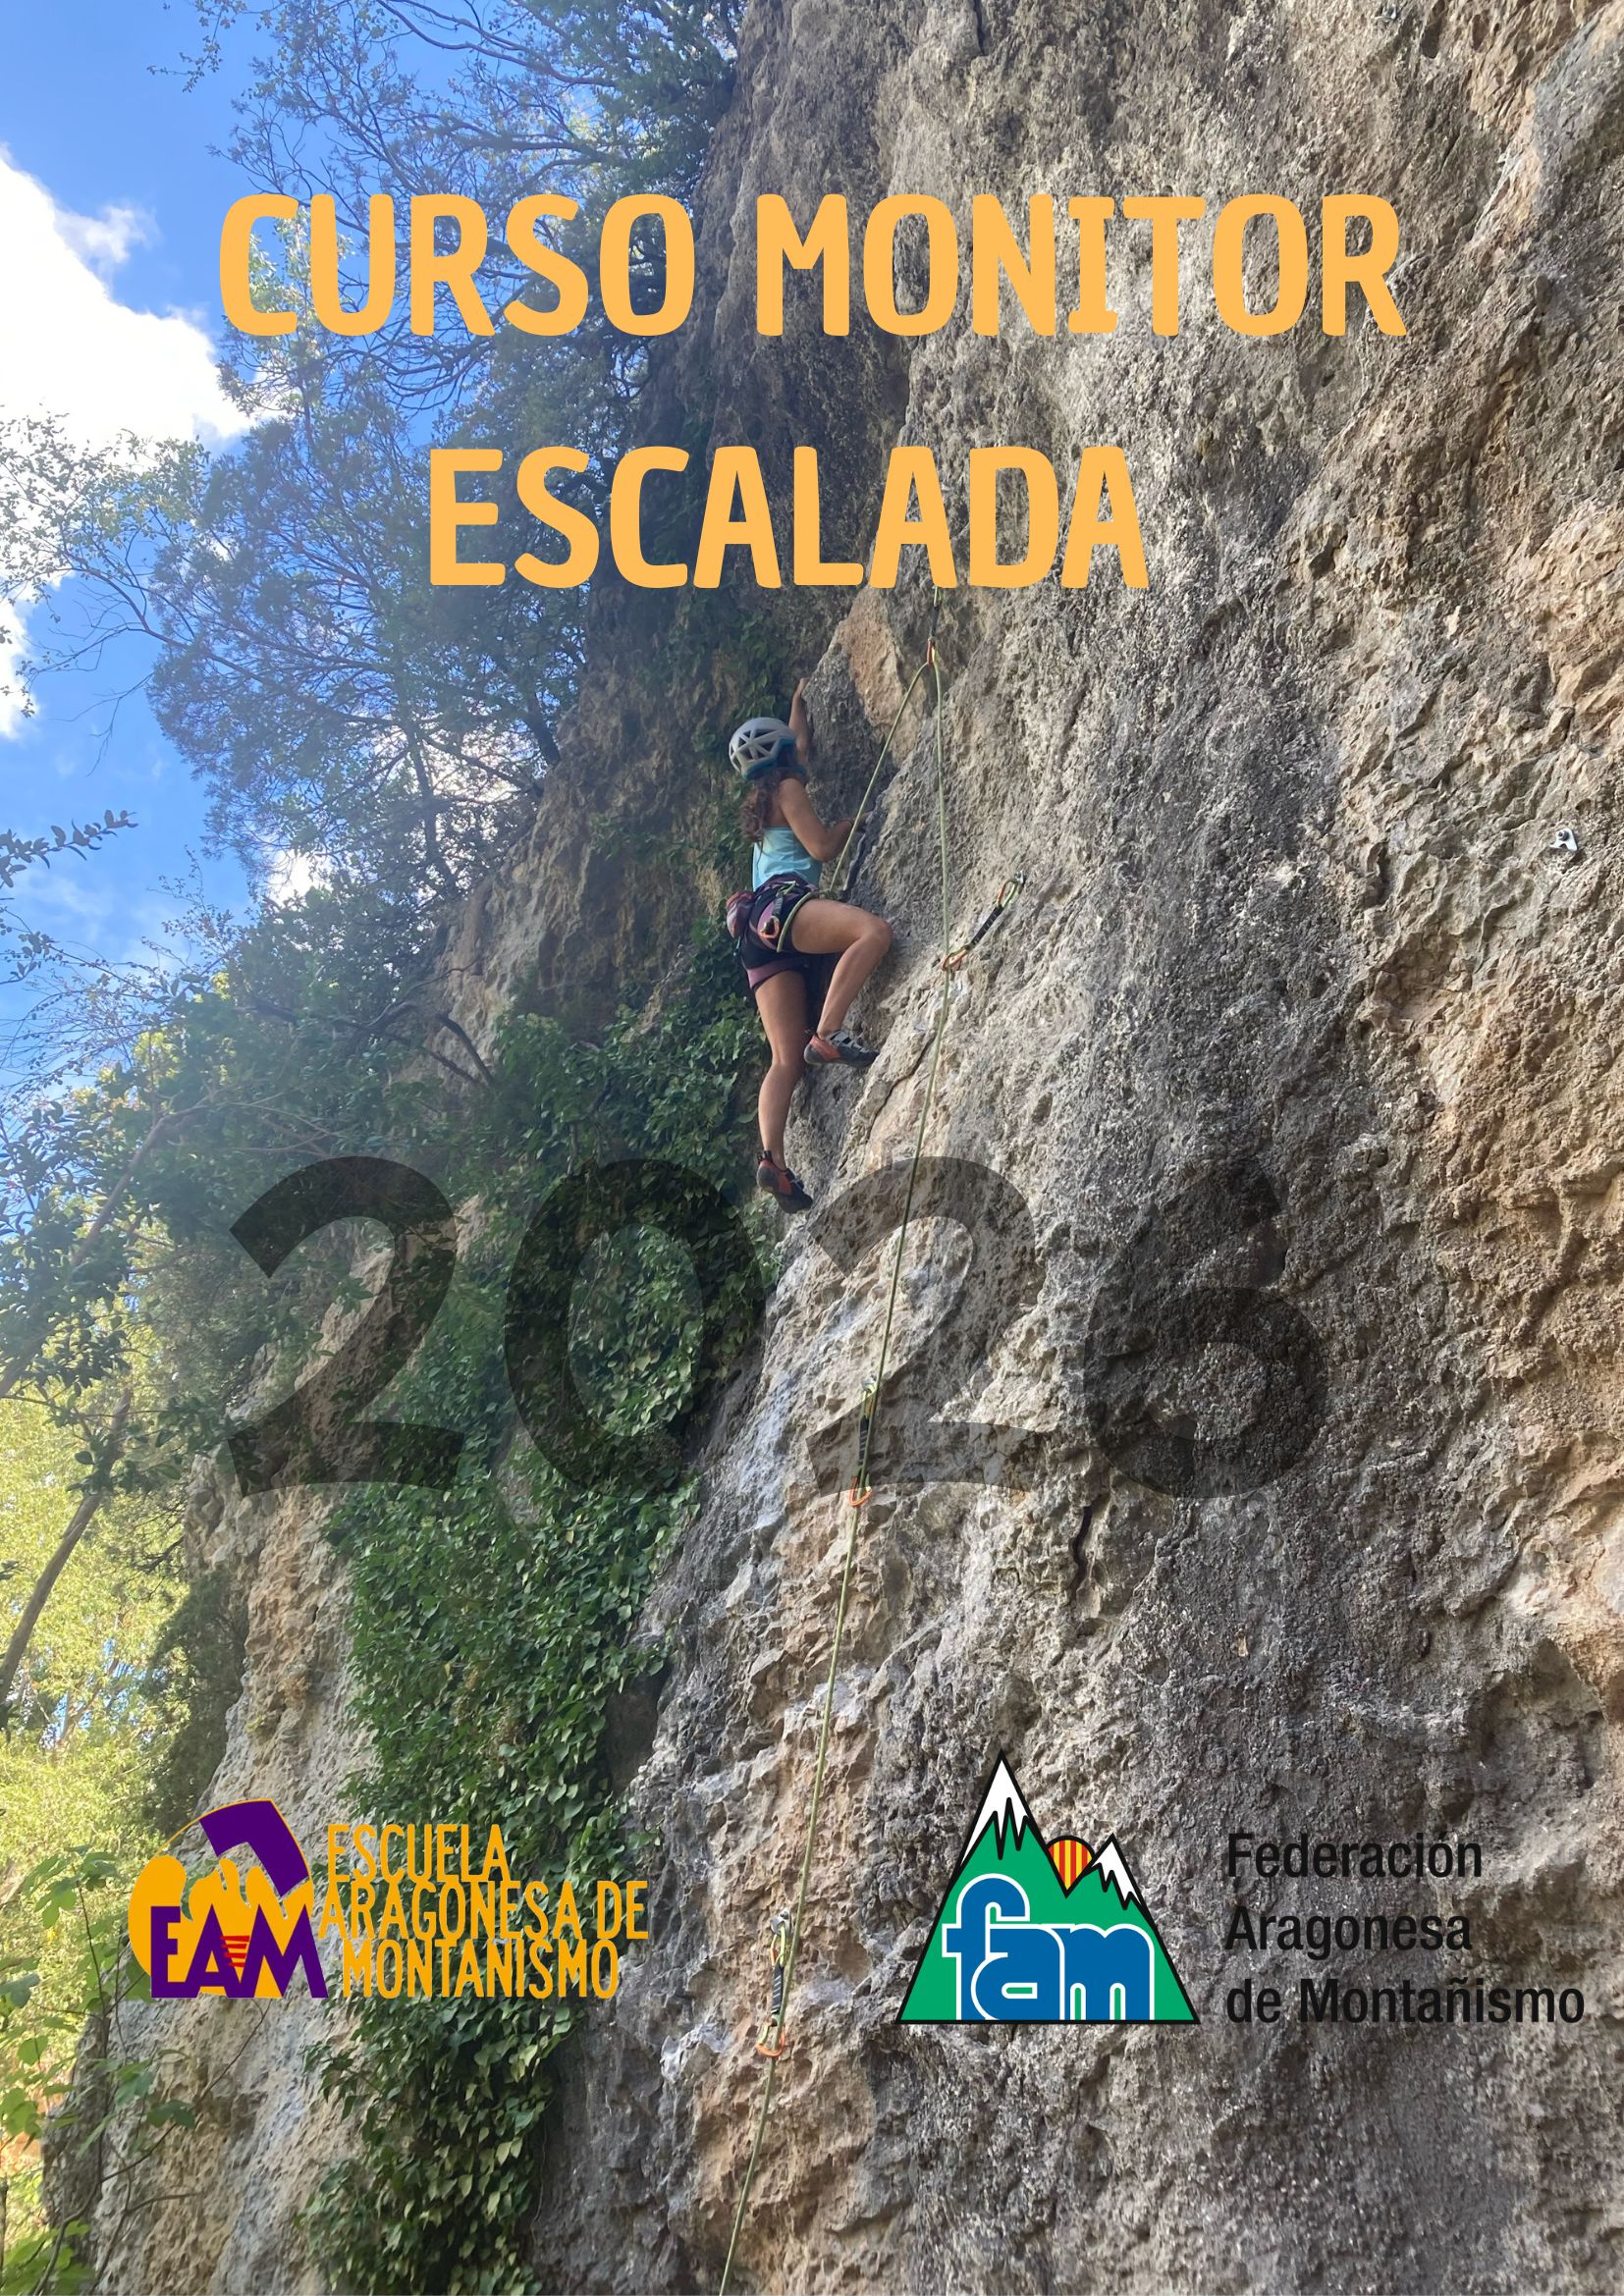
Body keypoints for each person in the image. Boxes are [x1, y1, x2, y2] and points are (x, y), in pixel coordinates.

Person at [725, 681, 893, 1210]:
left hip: (755, 934)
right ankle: (827, 1033)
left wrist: (797, 704)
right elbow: (820, 846)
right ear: (782, 755)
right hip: (785, 907)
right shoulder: (790, 790)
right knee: (873, 933)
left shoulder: (763, 802)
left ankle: (772, 1159)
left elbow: (795, 742)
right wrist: (850, 825)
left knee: (783, 1058)